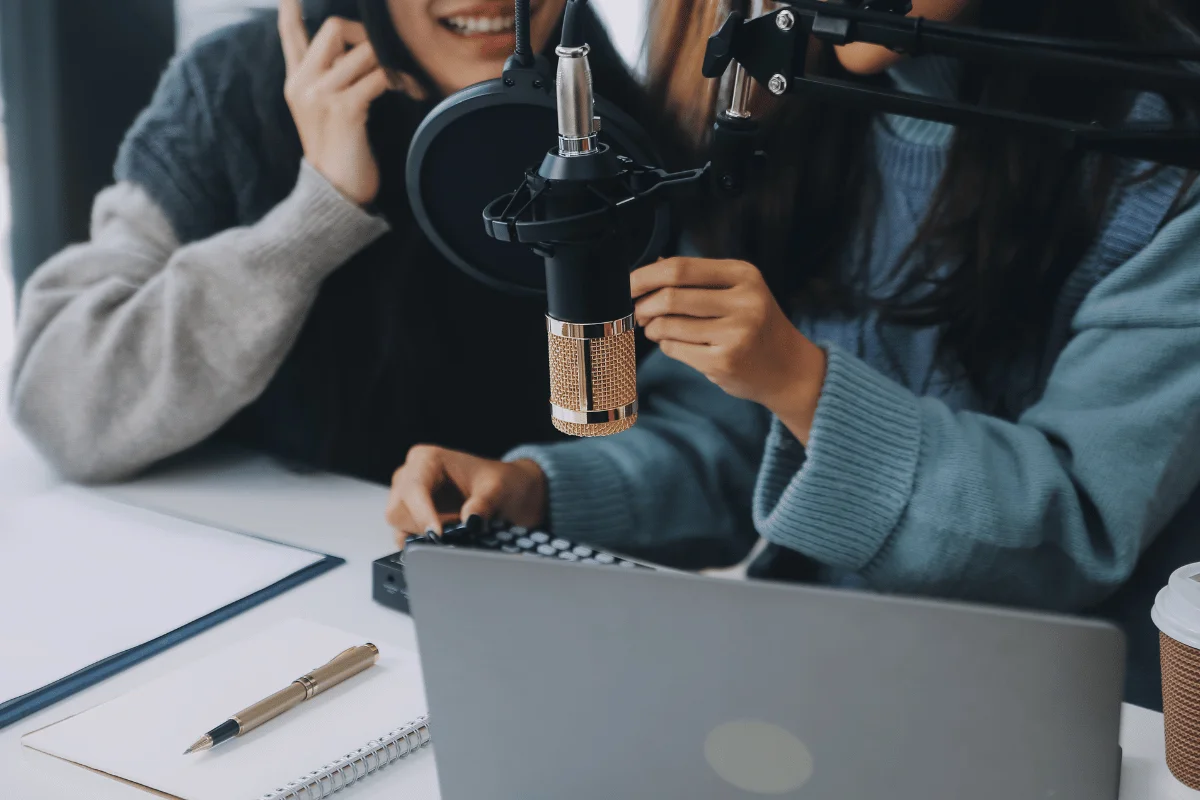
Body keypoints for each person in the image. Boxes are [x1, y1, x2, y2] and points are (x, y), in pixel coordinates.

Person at [385, 0, 1200, 708]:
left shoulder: (1166, 167)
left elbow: (1077, 530)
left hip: (1072, 714)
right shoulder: (780, 111)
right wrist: (540, 493)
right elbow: (735, 438)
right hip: (814, 680)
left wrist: (803, 384)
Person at [7, 0, 653, 485]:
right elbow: (60, 404)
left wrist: (539, 489)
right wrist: (318, 212)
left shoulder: (622, 117)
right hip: (282, 589)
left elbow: (697, 435)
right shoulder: (233, 89)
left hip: (526, 587)